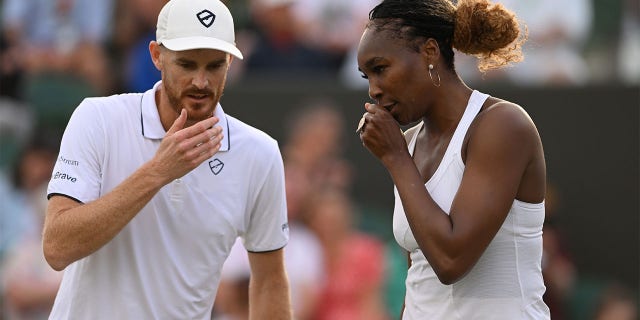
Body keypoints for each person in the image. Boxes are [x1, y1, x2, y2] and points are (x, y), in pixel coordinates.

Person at [42, 0, 292, 319]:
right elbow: (57, 248)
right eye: (187, 64)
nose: (201, 82)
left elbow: (270, 281)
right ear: (157, 56)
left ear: (229, 60)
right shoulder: (97, 119)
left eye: (214, 66)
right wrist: (158, 172)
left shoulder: (260, 153)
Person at [355, 0, 549, 319]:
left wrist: (394, 158)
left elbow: (450, 261)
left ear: (430, 53)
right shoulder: (408, 144)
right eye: (366, 77)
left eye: (380, 68)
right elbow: (419, 275)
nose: (374, 90)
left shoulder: (503, 125)